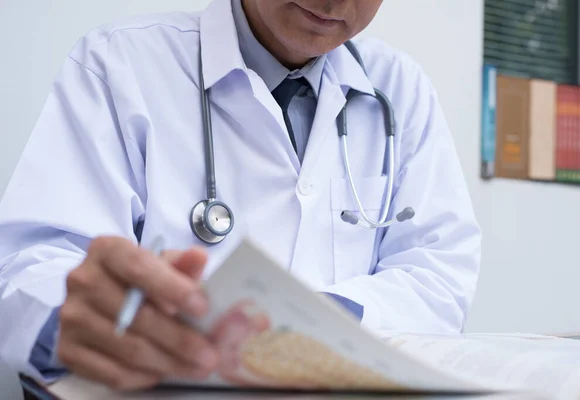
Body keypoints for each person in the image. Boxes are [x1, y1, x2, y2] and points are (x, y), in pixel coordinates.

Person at [0, 0, 481, 391]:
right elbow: (31, 265)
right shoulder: (120, 62)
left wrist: (306, 325)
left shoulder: (400, 89)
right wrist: (70, 319)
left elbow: (437, 275)